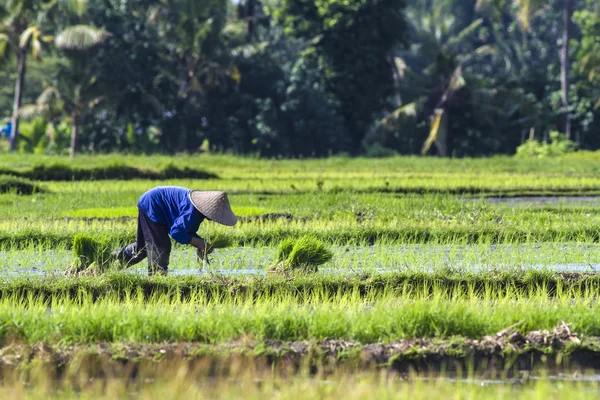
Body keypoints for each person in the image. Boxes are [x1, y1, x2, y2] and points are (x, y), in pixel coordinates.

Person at [113, 186, 237, 275]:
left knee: (143, 248)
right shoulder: (193, 213)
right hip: (153, 205)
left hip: (151, 202)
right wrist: (199, 243)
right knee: (160, 246)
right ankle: (158, 277)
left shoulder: (197, 212)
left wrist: (200, 242)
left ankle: (111, 258)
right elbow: (176, 232)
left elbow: (186, 231)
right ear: (209, 211)